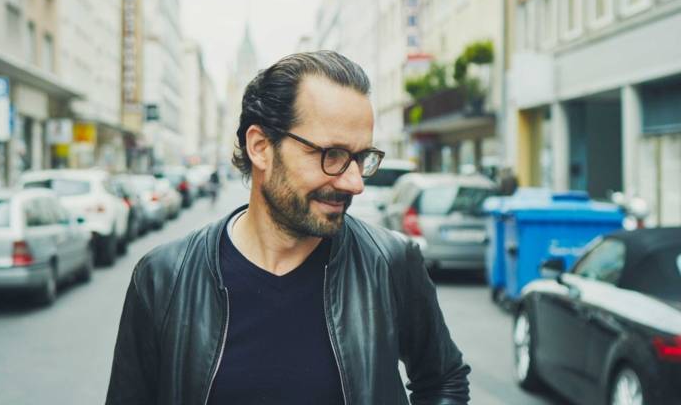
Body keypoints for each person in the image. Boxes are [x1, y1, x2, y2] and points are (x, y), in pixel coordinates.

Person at [106, 51, 470, 405]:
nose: (355, 182)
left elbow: (444, 380)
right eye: (333, 155)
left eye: (361, 158)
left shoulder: (390, 262)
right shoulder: (164, 279)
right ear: (261, 147)